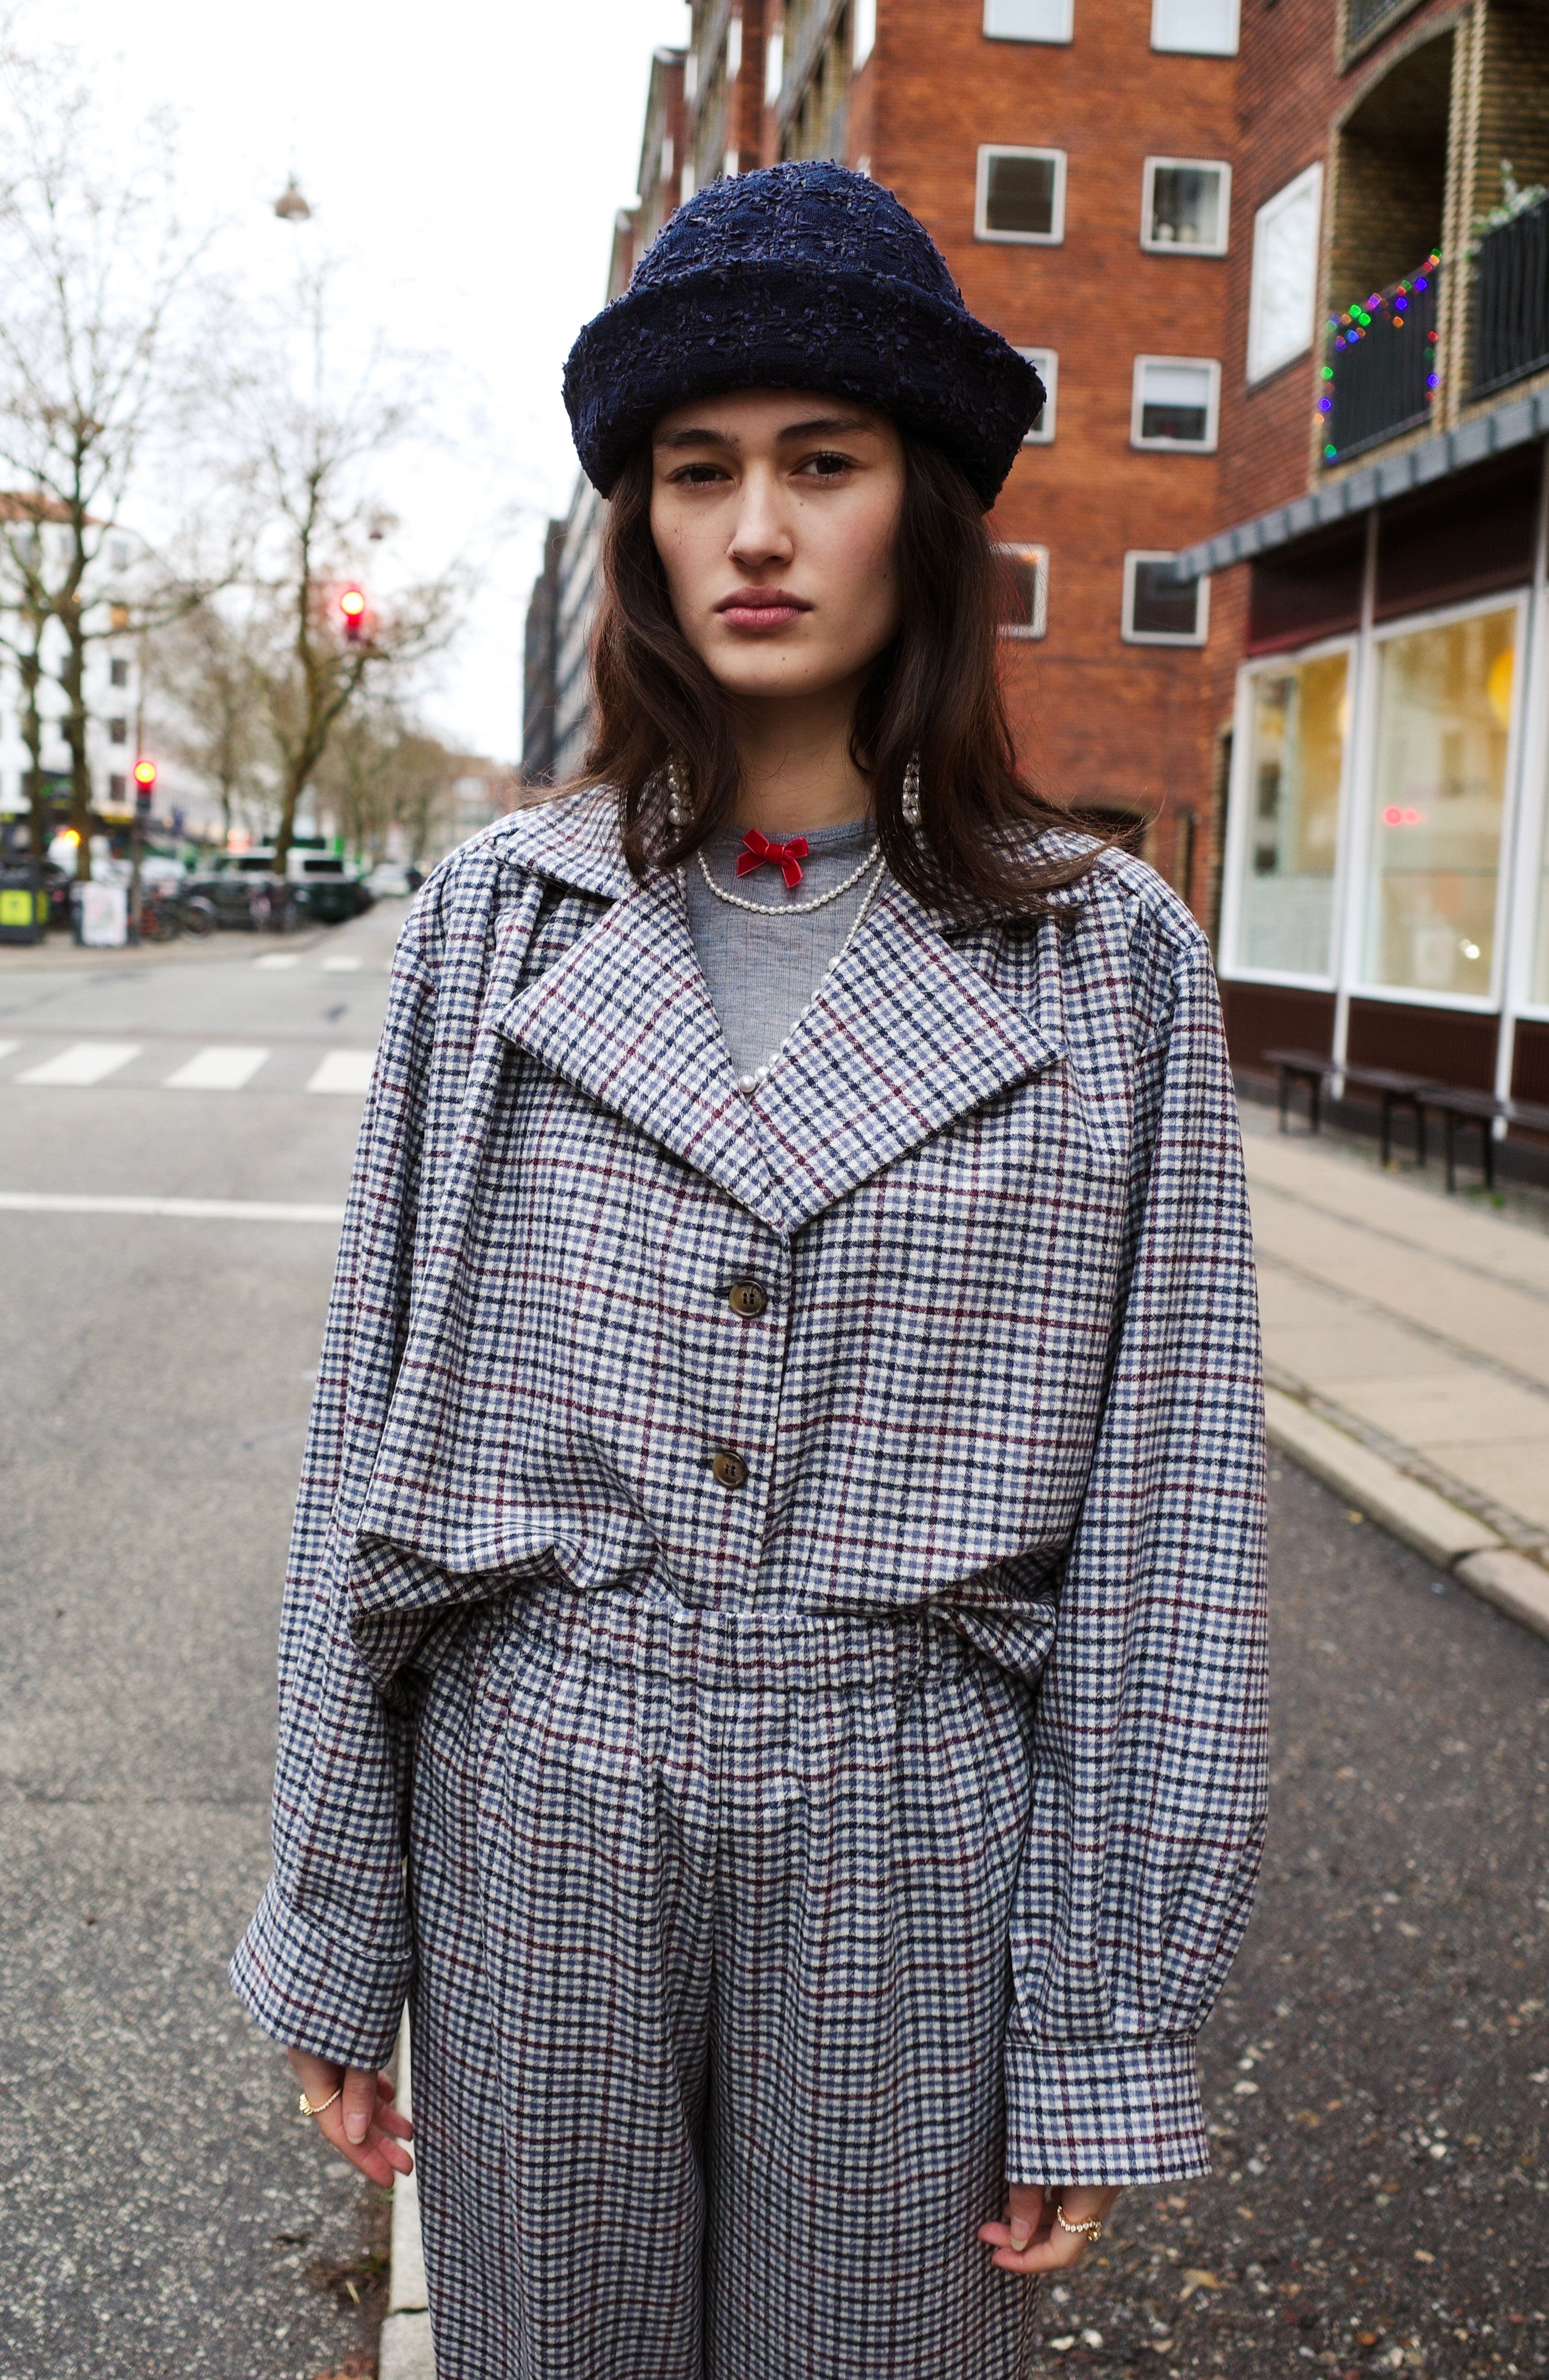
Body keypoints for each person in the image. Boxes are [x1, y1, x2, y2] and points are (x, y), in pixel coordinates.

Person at [231, 161, 1268, 2380]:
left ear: (925, 510)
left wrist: (1093, 2017)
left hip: (909, 1808)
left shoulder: (1106, 968)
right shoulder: (499, 930)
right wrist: (337, 1911)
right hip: (541, 1775)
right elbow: (361, 1453)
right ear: (639, 525)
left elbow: (1168, 1538)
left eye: (823, 462)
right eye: (699, 473)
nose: (759, 530)